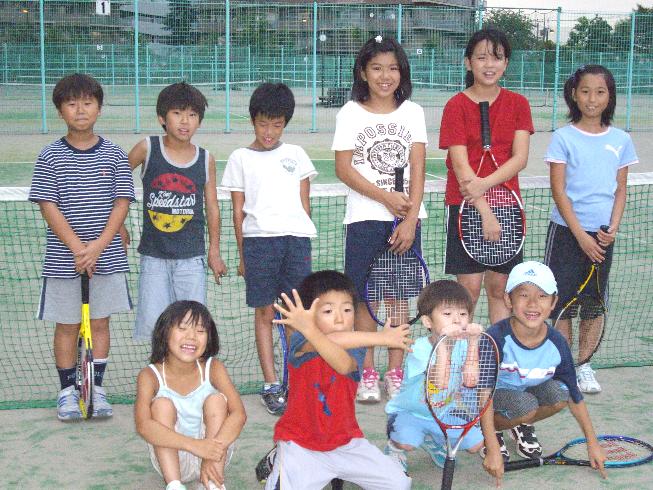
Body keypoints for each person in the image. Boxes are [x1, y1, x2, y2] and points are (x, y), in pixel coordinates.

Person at [29, 73, 135, 421]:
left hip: (107, 257)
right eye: (72, 103)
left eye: (87, 103)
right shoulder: (49, 156)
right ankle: (66, 392)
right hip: (64, 260)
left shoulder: (115, 154)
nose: (80, 110)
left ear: (99, 109)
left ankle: (96, 389)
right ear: (60, 110)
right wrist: (78, 248)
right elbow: (48, 206)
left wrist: (98, 247)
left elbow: (122, 203)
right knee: (67, 326)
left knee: (100, 323)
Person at [332, 35, 428, 403]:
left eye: (392, 68)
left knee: (398, 299)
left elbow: (418, 168)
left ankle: (396, 373)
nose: (385, 76)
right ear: (363, 72)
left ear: (402, 73)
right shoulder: (349, 113)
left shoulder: (413, 112)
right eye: (376, 68)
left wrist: (410, 219)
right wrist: (386, 197)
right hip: (364, 220)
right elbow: (344, 169)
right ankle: (368, 372)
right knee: (364, 300)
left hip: (405, 223)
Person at [264, 270, 413, 489]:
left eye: (347, 309)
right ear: (309, 315)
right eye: (328, 310)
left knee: (399, 484)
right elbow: (325, 340)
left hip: (346, 443)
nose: (340, 318)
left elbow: (343, 364)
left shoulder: (357, 346)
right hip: (299, 445)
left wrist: (311, 328)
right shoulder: (300, 340)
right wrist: (381, 337)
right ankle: (278, 457)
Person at [220, 82, 317, 415]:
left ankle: (295, 380)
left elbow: (305, 204)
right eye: (263, 124)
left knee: (294, 314)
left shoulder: (297, 155)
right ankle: (272, 383)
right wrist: (243, 255)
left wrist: (301, 237)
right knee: (264, 314)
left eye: (277, 125)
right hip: (258, 244)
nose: (269, 132)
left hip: (296, 243)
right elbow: (237, 211)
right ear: (252, 121)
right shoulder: (240, 158)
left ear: (285, 123)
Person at [544, 64, 638, 394]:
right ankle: (564, 366)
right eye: (585, 91)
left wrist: (612, 227)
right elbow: (559, 191)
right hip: (566, 233)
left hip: (602, 236)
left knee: (594, 303)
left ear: (610, 96)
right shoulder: (563, 137)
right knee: (561, 303)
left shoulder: (621, 140)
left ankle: (584, 365)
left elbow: (621, 189)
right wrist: (581, 236)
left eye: (600, 92)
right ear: (574, 94)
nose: (592, 99)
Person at [439, 28, 533, 325]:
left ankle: (497, 351)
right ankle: (462, 353)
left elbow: (519, 158)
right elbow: (460, 166)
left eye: (497, 58)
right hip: (465, 207)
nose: (489, 64)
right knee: (468, 291)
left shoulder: (519, 104)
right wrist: (484, 210)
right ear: (468, 62)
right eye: (481, 58)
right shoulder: (455, 106)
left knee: (500, 290)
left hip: (507, 206)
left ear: (506, 63)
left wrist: (485, 186)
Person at [485, 261, 607, 476]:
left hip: (523, 394)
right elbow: (482, 394)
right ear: (508, 299)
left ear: (553, 302)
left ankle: (519, 424)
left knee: (559, 393)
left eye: (542, 296)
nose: (533, 304)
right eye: (524, 295)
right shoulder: (495, 338)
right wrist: (492, 448)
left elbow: (574, 394)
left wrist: (592, 443)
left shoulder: (557, 342)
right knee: (526, 405)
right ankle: (490, 432)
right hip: (490, 399)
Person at [127, 81, 227, 342]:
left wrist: (214, 251)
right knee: (156, 329)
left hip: (191, 259)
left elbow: (212, 207)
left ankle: (190, 369)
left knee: (191, 327)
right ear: (162, 118)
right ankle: (159, 369)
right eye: (177, 113)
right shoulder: (147, 148)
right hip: (154, 257)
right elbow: (118, 182)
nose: (185, 121)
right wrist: (117, 226)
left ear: (199, 121)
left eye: (192, 114)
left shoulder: (205, 159)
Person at [384, 280, 503, 484]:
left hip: (443, 413)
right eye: (447, 314)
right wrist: (443, 346)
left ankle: (432, 439)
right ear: (427, 322)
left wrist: (473, 342)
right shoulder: (419, 349)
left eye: (463, 314)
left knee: (476, 444)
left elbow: (471, 381)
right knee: (406, 443)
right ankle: (394, 449)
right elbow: (440, 383)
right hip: (410, 413)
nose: (457, 319)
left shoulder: (465, 344)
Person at [135, 301, 247, 490]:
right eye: (182, 328)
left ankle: (213, 483)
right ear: (165, 332)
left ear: (209, 337)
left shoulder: (214, 367)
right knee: (161, 405)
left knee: (217, 400)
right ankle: (174, 485)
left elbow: (239, 414)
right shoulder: (149, 375)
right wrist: (195, 446)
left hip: (214, 456)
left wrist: (210, 453)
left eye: (200, 331)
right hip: (172, 459)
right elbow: (143, 426)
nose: (191, 337)